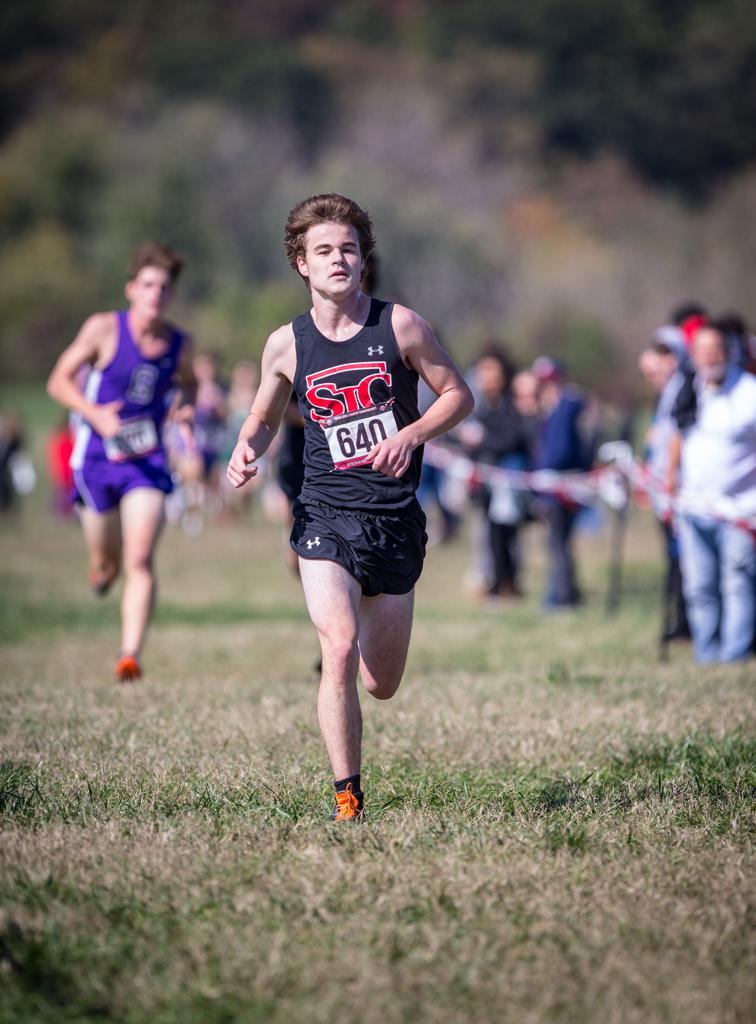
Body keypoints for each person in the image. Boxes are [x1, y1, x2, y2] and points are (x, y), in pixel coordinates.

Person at [226, 193, 473, 821]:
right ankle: (348, 797)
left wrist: (412, 434)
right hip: (324, 512)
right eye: (324, 250)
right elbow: (261, 412)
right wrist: (245, 448)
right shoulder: (286, 344)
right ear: (301, 264)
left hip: (393, 519)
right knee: (335, 646)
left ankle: (370, 624)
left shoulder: (401, 327)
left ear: (364, 260)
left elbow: (457, 396)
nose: (339, 259)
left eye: (348, 249)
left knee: (379, 683)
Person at [46, 242, 196, 682]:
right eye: (148, 285)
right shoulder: (104, 329)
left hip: (146, 463)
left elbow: (187, 384)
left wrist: (184, 407)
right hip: (94, 460)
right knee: (108, 558)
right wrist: (93, 415)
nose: (156, 294)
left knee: (140, 558)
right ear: (131, 289)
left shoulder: (180, 343)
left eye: (165, 287)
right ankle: (101, 567)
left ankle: (129, 654)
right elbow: (58, 380)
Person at [673, 321, 756, 663]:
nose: (710, 357)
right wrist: (669, 480)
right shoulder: (690, 389)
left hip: (739, 510)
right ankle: (706, 656)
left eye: (716, 349)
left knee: (736, 585)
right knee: (699, 587)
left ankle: (734, 655)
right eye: (702, 351)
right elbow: (677, 435)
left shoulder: (749, 392)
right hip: (694, 507)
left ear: (730, 351)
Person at [460, 349, 530, 599]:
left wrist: (482, 440)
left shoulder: (511, 404)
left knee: (506, 534)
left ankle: (507, 583)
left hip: (509, 480)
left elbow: (512, 439)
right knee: (490, 533)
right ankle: (496, 581)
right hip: (488, 481)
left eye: (490, 370)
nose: (484, 376)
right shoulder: (484, 406)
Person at [637, 327, 690, 645]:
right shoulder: (667, 391)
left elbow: (676, 439)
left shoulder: (684, 388)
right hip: (662, 490)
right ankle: (679, 620)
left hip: (679, 491)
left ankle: (684, 622)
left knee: (682, 560)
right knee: (673, 560)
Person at [531, 355, 587, 610]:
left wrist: (546, 469)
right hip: (552, 485)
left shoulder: (566, 406)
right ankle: (563, 591)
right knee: (558, 542)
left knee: (559, 542)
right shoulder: (550, 407)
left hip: (562, 486)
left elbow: (561, 450)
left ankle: (561, 596)